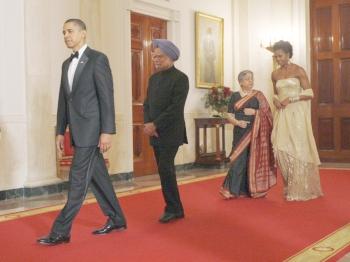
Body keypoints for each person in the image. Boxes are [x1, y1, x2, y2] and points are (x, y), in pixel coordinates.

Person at [37, 19, 126, 246]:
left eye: (70, 31)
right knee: (98, 179)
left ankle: (60, 231)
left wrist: (107, 131)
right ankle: (117, 219)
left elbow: (107, 97)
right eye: (63, 32)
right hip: (77, 132)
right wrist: (60, 130)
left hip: (91, 131)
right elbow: (63, 101)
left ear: (83, 33)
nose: (66, 35)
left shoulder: (98, 59)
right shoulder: (66, 64)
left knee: (77, 182)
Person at [271, 40, 323, 201]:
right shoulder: (275, 74)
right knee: (279, 149)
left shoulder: (299, 70)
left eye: (280, 56)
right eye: (275, 56)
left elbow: (310, 93)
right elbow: (275, 93)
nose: (277, 59)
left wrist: (291, 99)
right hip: (282, 114)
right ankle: (289, 185)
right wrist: (275, 100)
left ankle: (300, 188)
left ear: (288, 54)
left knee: (298, 149)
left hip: (297, 114)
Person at [143, 39, 189, 223]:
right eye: (154, 57)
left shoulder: (181, 78)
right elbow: (147, 104)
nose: (156, 60)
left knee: (165, 168)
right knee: (164, 170)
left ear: (170, 57)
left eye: (159, 57)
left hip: (171, 132)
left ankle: (172, 208)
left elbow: (175, 108)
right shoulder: (153, 79)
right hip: (155, 132)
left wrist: (156, 125)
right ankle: (175, 208)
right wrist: (148, 123)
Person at [220, 70, 276, 199]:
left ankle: (252, 190)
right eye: (247, 79)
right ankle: (232, 190)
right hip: (240, 132)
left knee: (253, 160)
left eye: (251, 78)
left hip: (256, 133)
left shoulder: (258, 95)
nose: (250, 81)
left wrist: (255, 112)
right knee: (238, 159)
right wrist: (237, 122)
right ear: (240, 82)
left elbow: (268, 114)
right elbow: (229, 114)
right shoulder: (235, 96)